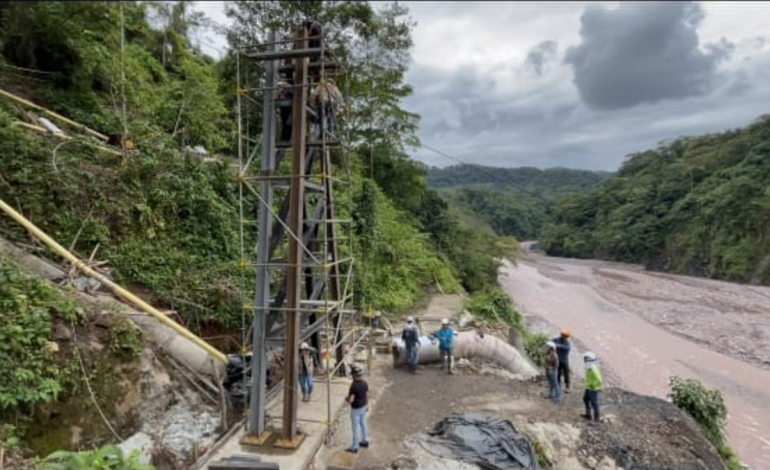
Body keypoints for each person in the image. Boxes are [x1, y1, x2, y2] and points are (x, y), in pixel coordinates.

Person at [346, 365, 369, 453]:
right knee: (364, 424)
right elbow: (366, 395)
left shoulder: (354, 386)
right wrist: (367, 405)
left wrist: (347, 399)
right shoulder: (365, 383)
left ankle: (354, 447)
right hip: (363, 407)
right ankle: (365, 441)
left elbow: (351, 400)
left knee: (355, 428)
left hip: (356, 409)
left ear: (354, 375)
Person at [582, 351, 604, 422]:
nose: (584, 360)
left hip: (593, 389)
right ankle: (588, 414)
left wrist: (594, 386)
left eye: (585, 358)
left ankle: (596, 419)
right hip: (588, 387)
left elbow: (600, 380)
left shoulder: (593, 369)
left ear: (588, 359)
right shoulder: (589, 367)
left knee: (594, 403)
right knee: (585, 399)